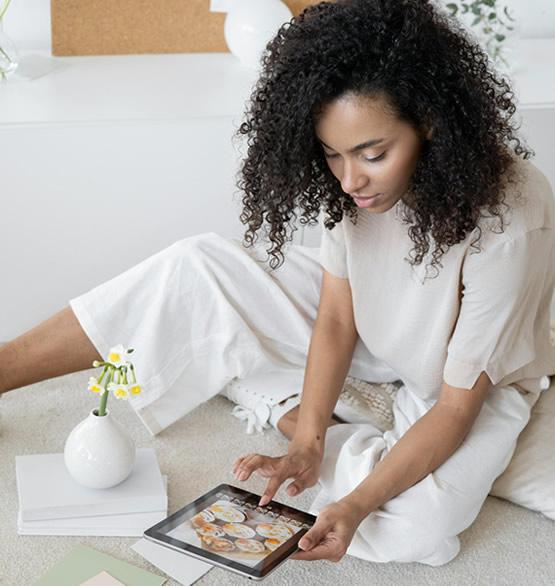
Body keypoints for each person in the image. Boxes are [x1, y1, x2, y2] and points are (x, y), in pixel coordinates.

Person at [1, 0, 554, 567]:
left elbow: (456, 409)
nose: (351, 180)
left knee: (411, 530)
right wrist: (305, 445)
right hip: (378, 326)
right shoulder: (354, 185)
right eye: (333, 155)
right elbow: (336, 316)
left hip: (464, 384)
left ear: (430, 122)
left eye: (373, 154)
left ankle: (276, 396)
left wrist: (356, 502)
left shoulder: (513, 218)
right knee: (197, 267)